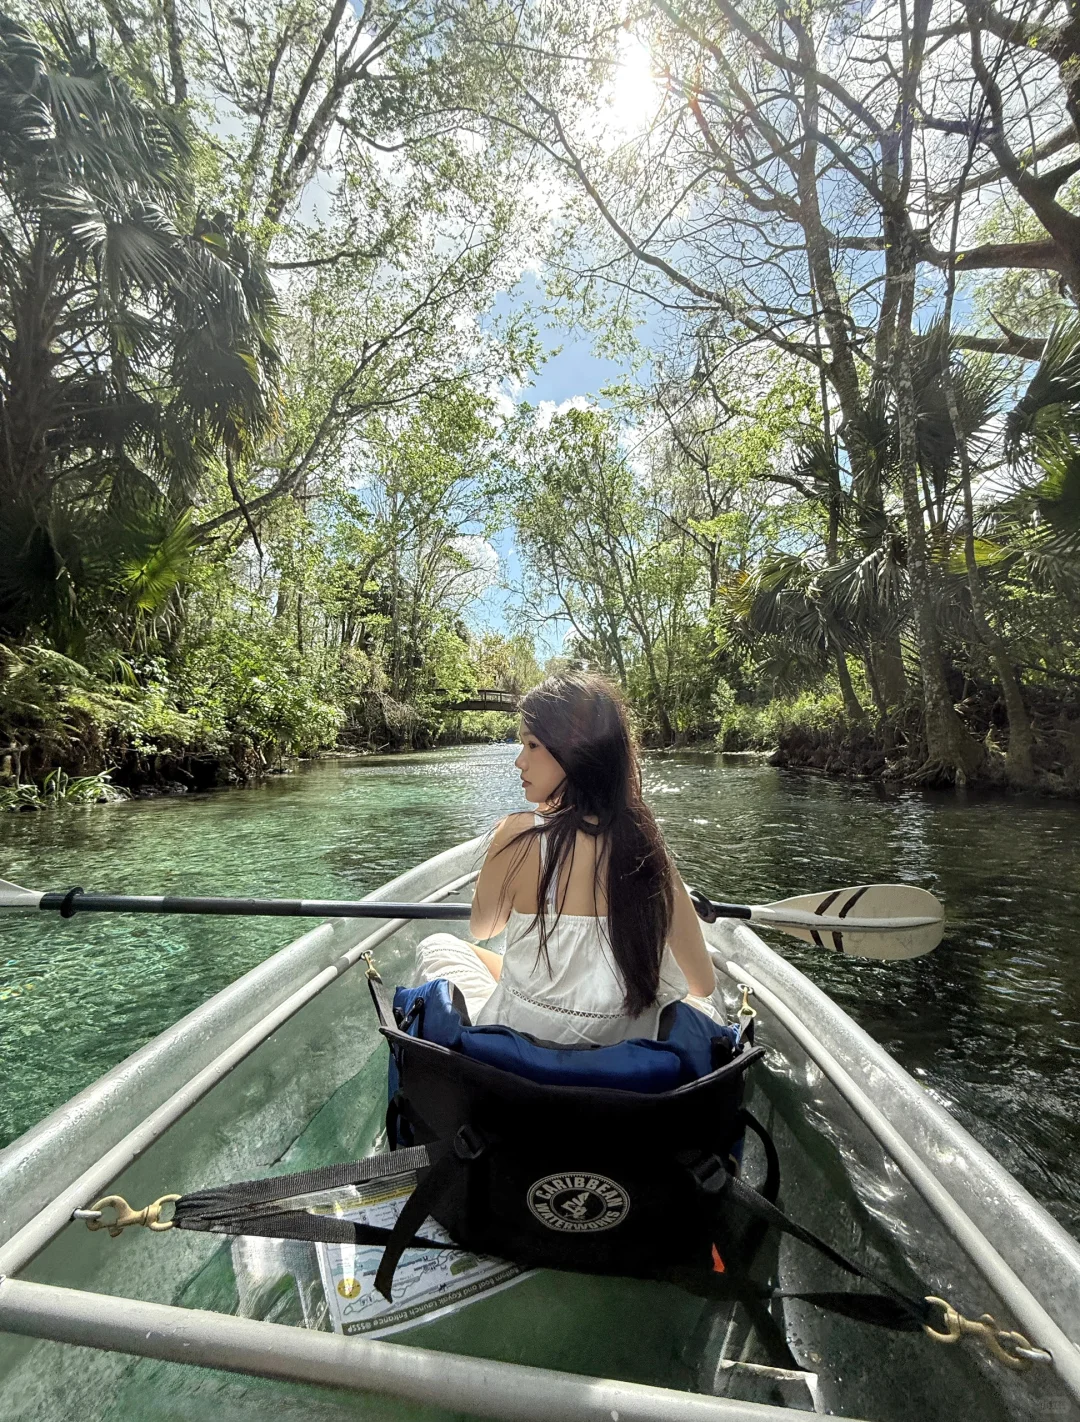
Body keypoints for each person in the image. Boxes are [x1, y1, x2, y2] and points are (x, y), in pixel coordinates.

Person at [415, 670, 723, 1046]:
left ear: (574, 752)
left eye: (531, 746)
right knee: (705, 1001)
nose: (519, 762)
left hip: (518, 1058)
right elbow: (702, 984)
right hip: (620, 1066)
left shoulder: (516, 835)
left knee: (436, 946)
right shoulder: (646, 844)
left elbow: (484, 928)